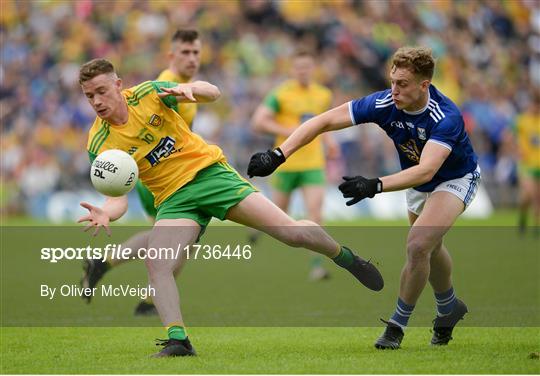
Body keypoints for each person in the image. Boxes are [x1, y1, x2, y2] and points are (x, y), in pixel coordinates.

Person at [77, 58, 383, 357]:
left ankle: (345, 258)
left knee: (292, 234)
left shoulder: (146, 94)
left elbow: (213, 92)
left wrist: (192, 90)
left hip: (211, 174)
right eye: (89, 95)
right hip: (174, 199)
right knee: (158, 263)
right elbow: (117, 196)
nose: (97, 101)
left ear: (118, 85)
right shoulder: (99, 142)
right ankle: (178, 340)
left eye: (102, 91)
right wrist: (107, 212)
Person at [248, 46, 481, 349]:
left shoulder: (445, 117)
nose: (393, 90)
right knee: (430, 249)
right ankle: (449, 307)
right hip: (415, 182)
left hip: (454, 179)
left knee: (418, 244)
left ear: (424, 85)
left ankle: (397, 327)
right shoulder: (385, 102)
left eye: (402, 84)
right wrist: (278, 154)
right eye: (392, 81)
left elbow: (427, 170)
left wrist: (375, 185)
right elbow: (323, 122)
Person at [81, 29, 203, 316]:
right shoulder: (165, 84)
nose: (192, 58)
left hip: (179, 171)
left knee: (174, 240)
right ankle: (150, 296)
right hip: (161, 177)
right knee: (177, 240)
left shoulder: (185, 84)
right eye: (185, 52)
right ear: (171, 55)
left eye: (196, 52)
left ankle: (108, 264)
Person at [251, 50, 340, 281]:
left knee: (315, 213)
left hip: (313, 163)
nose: (303, 71)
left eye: (307, 67)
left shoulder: (323, 94)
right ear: (292, 70)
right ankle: (255, 229)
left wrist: (330, 142)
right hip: (286, 163)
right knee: (277, 216)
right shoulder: (280, 94)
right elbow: (258, 122)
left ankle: (317, 266)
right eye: (299, 67)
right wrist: (289, 132)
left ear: (314, 68)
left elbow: (326, 124)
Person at [515, 91, 540, 236]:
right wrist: (518, 150)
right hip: (526, 165)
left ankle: (536, 228)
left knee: (536, 196)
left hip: (538, 165)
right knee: (529, 196)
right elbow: (510, 137)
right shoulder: (522, 120)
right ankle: (523, 218)